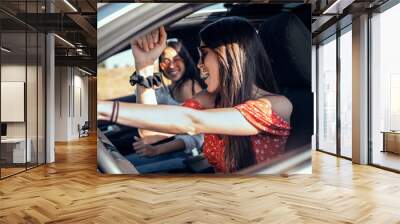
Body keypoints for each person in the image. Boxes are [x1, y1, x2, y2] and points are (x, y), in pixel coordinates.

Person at [98, 17, 292, 173]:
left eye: (204, 53)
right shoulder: (213, 99)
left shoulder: (276, 105)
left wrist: (100, 108)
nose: (199, 64)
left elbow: (191, 121)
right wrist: (145, 65)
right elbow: (150, 132)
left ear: (229, 55)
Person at [124, 36, 206, 173]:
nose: (171, 66)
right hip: (170, 148)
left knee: (125, 171)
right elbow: (144, 108)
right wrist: (144, 72)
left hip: (190, 157)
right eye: (165, 61)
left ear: (185, 59)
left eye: (177, 59)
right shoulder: (170, 86)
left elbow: (198, 137)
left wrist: (155, 149)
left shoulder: (189, 87)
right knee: (123, 164)